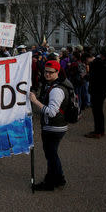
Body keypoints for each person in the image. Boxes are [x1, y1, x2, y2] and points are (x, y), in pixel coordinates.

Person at [30, 60, 68, 191]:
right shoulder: (57, 84)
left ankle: (50, 183)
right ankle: (59, 178)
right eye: (45, 71)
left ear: (57, 72)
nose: (47, 74)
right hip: (57, 126)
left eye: (51, 72)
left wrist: (35, 102)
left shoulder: (56, 90)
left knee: (51, 156)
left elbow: (52, 112)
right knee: (52, 154)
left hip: (54, 127)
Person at [85, 50, 106, 138]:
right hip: (102, 91)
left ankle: (97, 131)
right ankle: (101, 130)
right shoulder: (101, 62)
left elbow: (93, 77)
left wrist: (86, 76)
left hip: (96, 91)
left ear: (87, 59)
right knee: (100, 112)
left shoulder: (95, 64)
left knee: (96, 112)